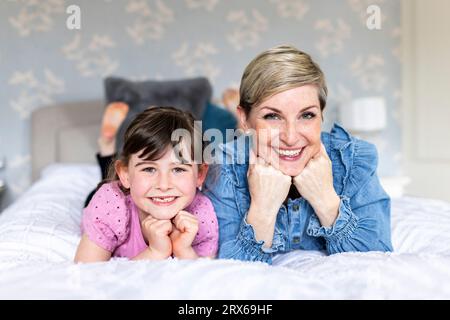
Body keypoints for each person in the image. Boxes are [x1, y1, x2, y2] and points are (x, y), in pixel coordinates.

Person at [203, 45, 393, 264]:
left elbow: (378, 260)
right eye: (273, 116)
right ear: (244, 119)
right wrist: (263, 208)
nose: (291, 137)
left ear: (321, 115)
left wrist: (325, 200)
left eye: (307, 115)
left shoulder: (355, 158)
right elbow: (231, 270)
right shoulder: (224, 165)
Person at [75, 106, 218, 262]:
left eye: (178, 169)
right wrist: (154, 252)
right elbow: (87, 275)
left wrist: (183, 250)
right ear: (125, 174)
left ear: (200, 174)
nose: (163, 186)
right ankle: (107, 150)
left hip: (135, 189)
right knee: (101, 187)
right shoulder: (110, 206)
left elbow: (204, 280)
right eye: (149, 169)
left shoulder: (201, 215)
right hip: (116, 195)